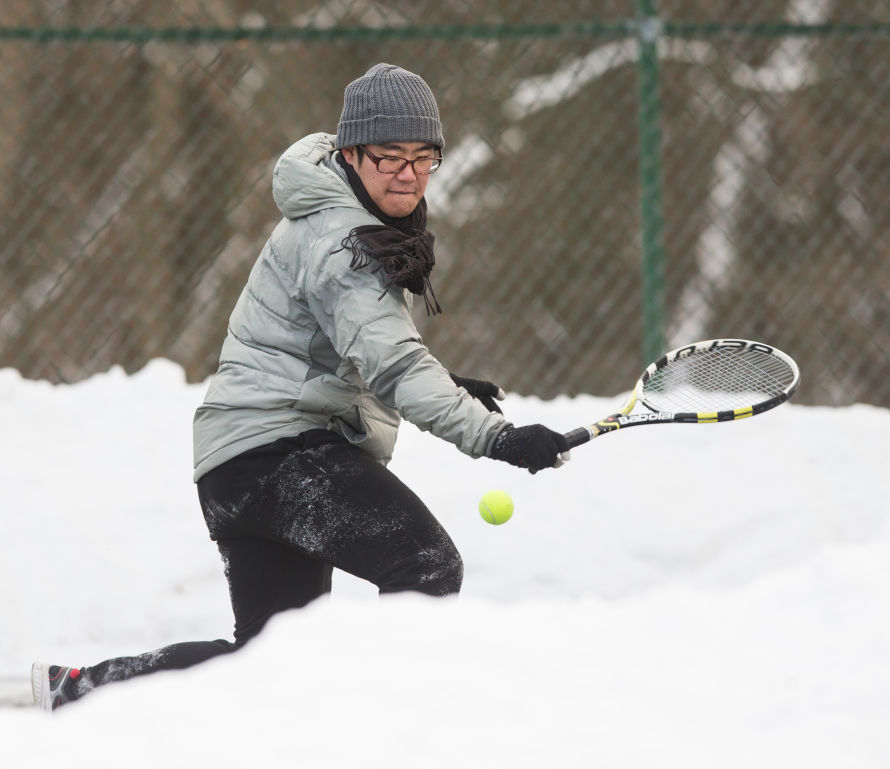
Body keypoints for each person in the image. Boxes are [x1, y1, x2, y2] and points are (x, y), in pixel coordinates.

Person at [31, 63, 570, 711]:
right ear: (350, 155)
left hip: (242, 461)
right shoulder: (342, 240)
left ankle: (84, 688)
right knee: (425, 566)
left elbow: (348, 349)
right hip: (280, 455)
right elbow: (393, 362)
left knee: (267, 663)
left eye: (424, 158)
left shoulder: (341, 218)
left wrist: (444, 384)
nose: (408, 173)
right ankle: (385, 722)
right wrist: (498, 437)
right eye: (390, 156)